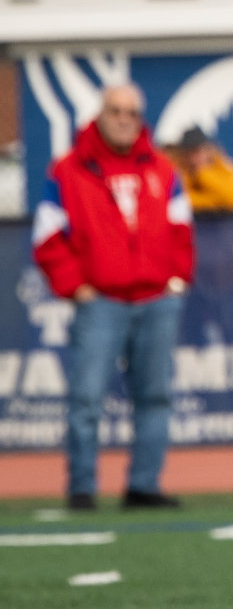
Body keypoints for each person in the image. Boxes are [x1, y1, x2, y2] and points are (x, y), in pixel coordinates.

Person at [32, 83, 192, 510]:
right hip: (100, 301)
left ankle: (143, 485)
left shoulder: (161, 168)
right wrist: (75, 287)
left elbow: (181, 230)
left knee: (155, 396)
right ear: (100, 115)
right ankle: (82, 488)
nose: (124, 119)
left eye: (131, 112)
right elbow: (48, 236)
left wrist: (175, 279)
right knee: (86, 398)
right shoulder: (68, 169)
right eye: (116, 111)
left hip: (156, 299)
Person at [169, 127, 233, 215]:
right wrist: (216, 202)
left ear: (207, 150)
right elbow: (179, 201)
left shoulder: (224, 167)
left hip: (224, 224)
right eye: (188, 153)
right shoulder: (179, 171)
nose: (193, 158)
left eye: (197, 152)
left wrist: (201, 174)